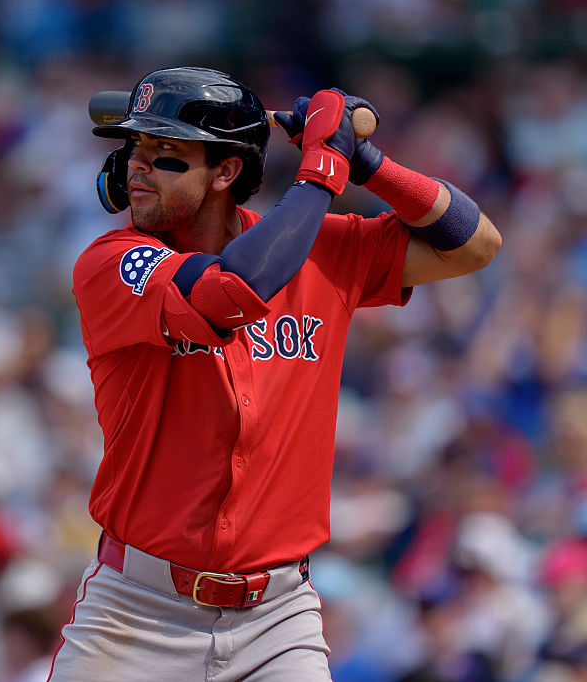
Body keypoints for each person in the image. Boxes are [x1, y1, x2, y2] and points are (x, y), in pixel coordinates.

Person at [50, 66, 502, 680]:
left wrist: (365, 159)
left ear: (226, 172)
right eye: (137, 148)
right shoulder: (112, 262)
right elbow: (237, 285)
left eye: (167, 155)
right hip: (139, 612)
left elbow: (473, 243)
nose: (138, 167)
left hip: (277, 618)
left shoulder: (322, 251)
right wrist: (324, 170)